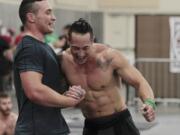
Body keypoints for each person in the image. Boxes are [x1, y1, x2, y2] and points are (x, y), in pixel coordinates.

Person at [61, 18, 156, 135]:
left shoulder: (109, 57)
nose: (80, 54)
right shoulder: (64, 61)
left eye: (86, 48)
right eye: (75, 48)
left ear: (92, 41)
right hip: (91, 125)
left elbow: (140, 82)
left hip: (119, 122)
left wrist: (150, 103)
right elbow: (56, 93)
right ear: (68, 41)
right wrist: (66, 96)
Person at [13, 1, 85, 135]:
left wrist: (70, 94)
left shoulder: (43, 47)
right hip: (37, 130)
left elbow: (48, 89)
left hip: (52, 128)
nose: (54, 17)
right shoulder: (30, 48)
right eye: (48, 12)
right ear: (31, 17)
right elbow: (34, 91)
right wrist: (68, 101)